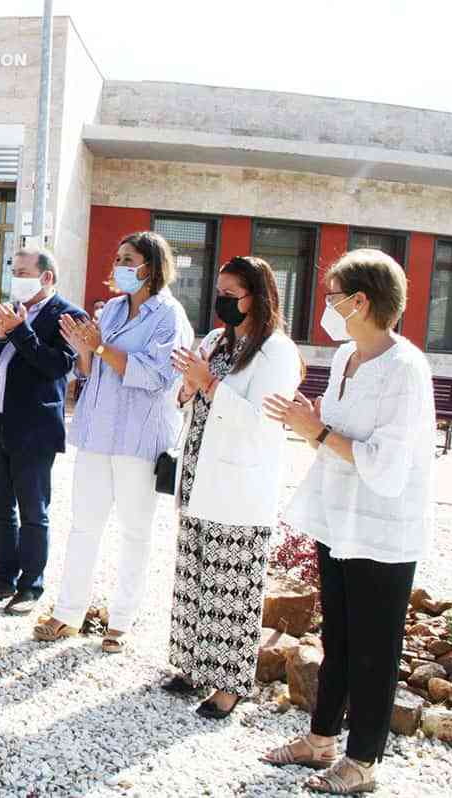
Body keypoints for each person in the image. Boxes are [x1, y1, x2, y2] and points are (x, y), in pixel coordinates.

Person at [261, 249, 435, 795]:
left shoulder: (405, 369)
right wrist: (310, 423)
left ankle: (363, 761)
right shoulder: (344, 359)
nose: (325, 306)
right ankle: (321, 741)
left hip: (381, 530)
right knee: (336, 637)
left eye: (332, 296)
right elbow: (335, 437)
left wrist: (316, 430)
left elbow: (385, 464)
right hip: (338, 521)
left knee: (373, 648)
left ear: (360, 301)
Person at [34, 231, 192, 651]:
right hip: (96, 433)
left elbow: (156, 375)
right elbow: (92, 372)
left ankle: (121, 621)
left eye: (128, 259)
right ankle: (68, 613)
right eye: (118, 257)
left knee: (135, 531)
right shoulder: (114, 308)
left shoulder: (170, 316)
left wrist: (100, 347)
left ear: (151, 267)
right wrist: (84, 350)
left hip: (139, 439)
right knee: (83, 525)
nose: (119, 265)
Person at [162, 256, 300, 718]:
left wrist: (209, 384)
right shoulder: (215, 340)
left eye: (230, 294)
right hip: (198, 473)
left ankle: (228, 685)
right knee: (194, 578)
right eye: (218, 292)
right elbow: (189, 397)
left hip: (240, 486)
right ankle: (190, 666)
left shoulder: (277, 352)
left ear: (256, 297)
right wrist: (189, 388)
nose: (221, 300)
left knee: (231, 587)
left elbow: (263, 420)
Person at [0, 247, 83, 615]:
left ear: (46, 277)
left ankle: (31, 585)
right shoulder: (6, 310)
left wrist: (20, 332)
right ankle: (2, 577)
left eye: (23, 272)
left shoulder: (68, 316)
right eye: (13, 271)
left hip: (33, 430)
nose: (16, 278)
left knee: (33, 510)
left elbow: (57, 366)